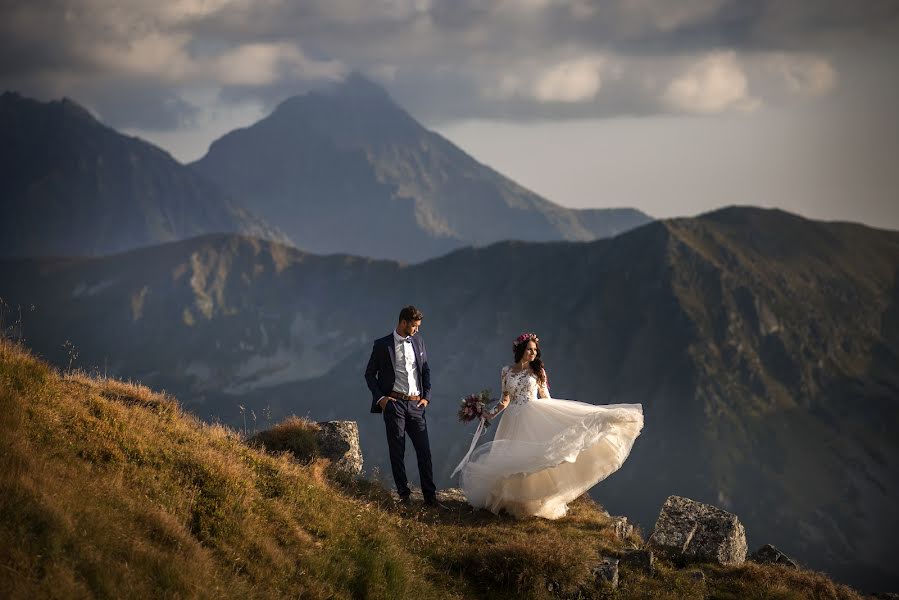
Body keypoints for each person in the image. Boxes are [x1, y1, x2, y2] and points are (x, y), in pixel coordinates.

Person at [458, 332, 643, 519]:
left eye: (535, 350)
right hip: (511, 418)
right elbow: (505, 400)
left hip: (531, 415)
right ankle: (509, 500)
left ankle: (527, 501)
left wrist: (559, 416)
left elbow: (546, 397)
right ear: (521, 350)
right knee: (511, 459)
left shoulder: (538, 371)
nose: (533, 353)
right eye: (529, 349)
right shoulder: (506, 371)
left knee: (531, 459)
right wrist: (489, 414)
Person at [364, 305, 438, 506]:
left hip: (416, 405)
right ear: (403, 323)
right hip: (394, 404)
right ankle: (404, 496)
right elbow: (369, 374)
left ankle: (430, 498)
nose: (417, 330)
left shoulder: (419, 341)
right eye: (414, 326)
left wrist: (427, 397)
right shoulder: (382, 345)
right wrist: (382, 399)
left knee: (424, 450)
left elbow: (425, 370)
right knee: (397, 451)